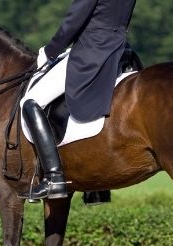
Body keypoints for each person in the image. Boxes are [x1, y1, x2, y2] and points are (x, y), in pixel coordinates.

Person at [20, 0, 137, 200]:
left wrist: (49, 51)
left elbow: (75, 18)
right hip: (119, 49)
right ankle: (97, 185)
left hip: (91, 50)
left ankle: (53, 178)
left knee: (31, 102)